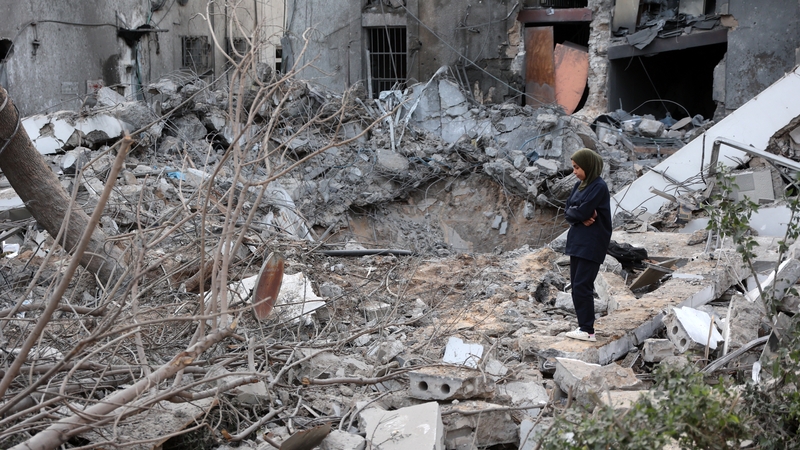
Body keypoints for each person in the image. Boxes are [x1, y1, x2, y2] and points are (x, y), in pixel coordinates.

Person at [563, 148, 612, 342]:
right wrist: (579, 216)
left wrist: (579, 214)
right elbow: (568, 210)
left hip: (592, 243)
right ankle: (583, 326)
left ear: (589, 166)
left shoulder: (598, 186)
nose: (574, 172)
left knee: (582, 285)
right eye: (573, 167)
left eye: (577, 167)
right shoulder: (579, 186)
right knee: (576, 285)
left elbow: (580, 212)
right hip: (577, 241)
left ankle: (587, 330)